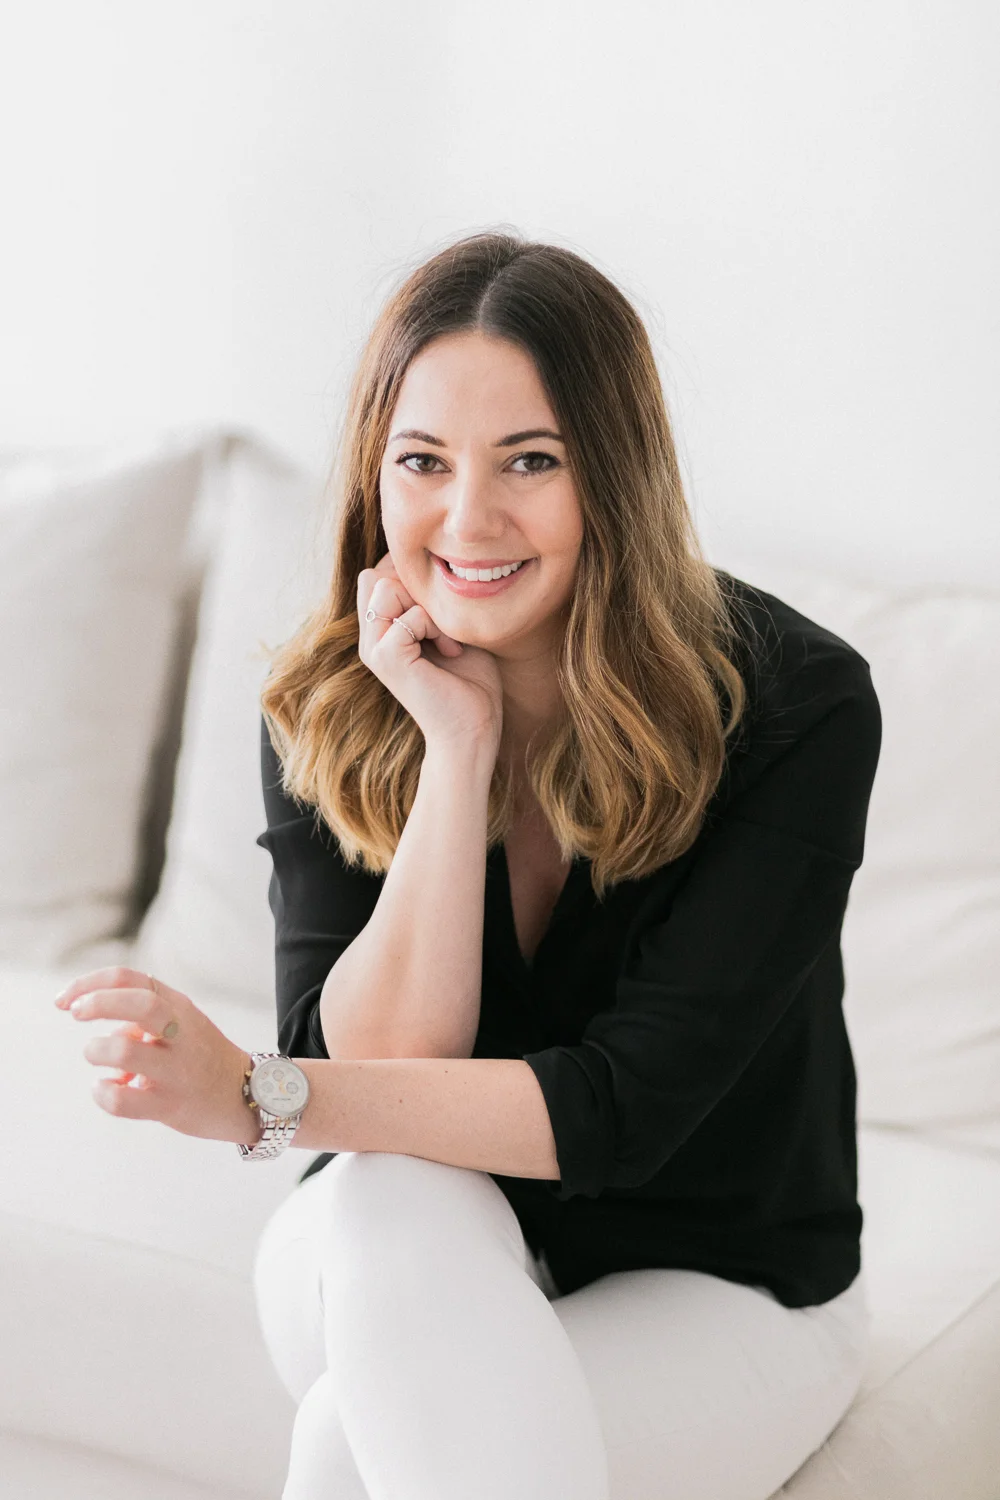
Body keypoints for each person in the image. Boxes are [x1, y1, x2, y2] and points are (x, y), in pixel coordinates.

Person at [249, 230, 882, 1500]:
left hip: (720, 1277)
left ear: (614, 472)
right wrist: (456, 752)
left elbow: (624, 1114)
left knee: (341, 1448)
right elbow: (372, 1075)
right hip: (391, 1242)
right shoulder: (331, 697)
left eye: (530, 460)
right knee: (387, 1189)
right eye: (423, 461)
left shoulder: (794, 705)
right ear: (376, 474)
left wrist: (257, 1099)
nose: (467, 518)